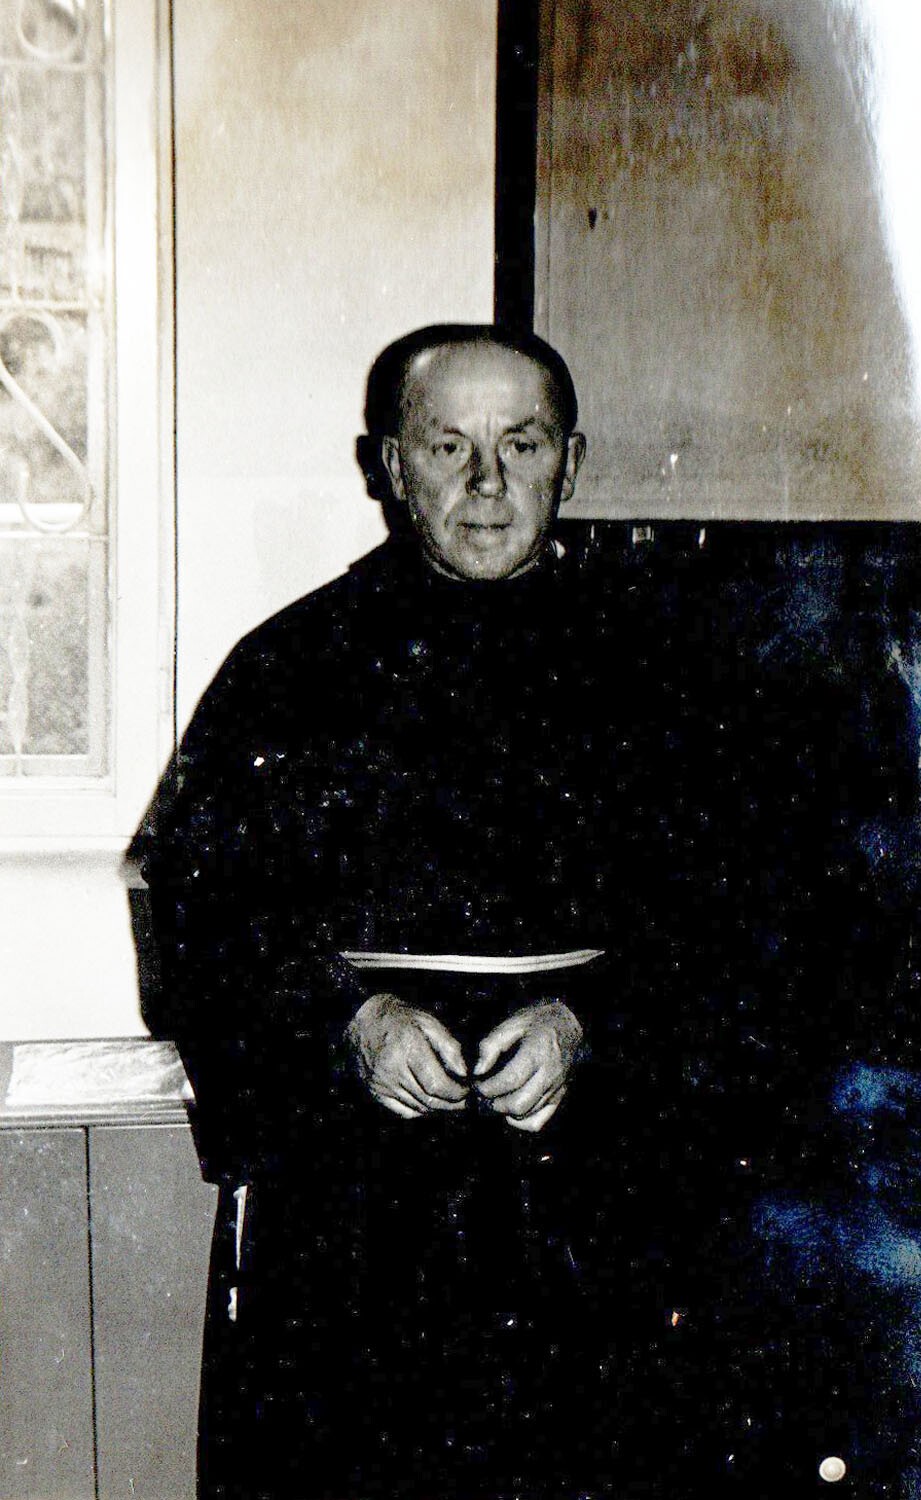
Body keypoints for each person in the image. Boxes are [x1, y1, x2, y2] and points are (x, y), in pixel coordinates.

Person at [140, 325, 914, 1499]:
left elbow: (760, 921)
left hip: (602, 1179)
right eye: (448, 446)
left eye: (523, 443)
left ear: (575, 462)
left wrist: (596, 1026)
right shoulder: (289, 669)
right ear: (389, 466)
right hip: (359, 1190)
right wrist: (348, 1023)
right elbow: (203, 906)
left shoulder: (674, 673)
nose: (487, 482)